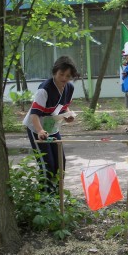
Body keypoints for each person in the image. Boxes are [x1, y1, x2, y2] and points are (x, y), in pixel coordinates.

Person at [23, 56, 79, 193]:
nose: (64, 78)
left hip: (52, 128)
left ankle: (57, 196)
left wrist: (68, 115)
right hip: (36, 127)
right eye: (61, 74)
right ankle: (46, 199)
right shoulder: (44, 89)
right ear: (55, 72)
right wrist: (40, 131)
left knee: (60, 162)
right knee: (47, 164)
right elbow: (34, 114)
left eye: (68, 76)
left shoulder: (69, 88)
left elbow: (63, 108)